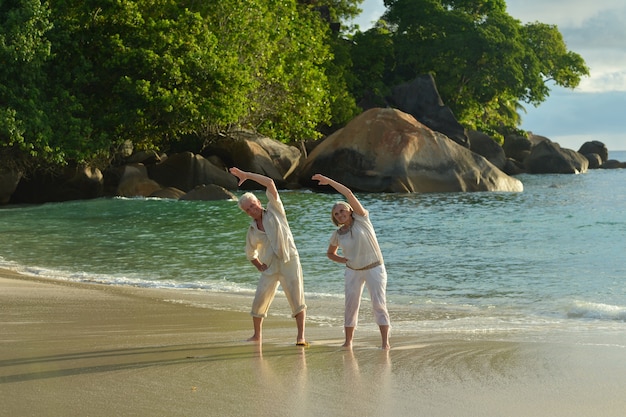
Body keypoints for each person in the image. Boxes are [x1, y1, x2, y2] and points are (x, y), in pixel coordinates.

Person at [311, 174, 390, 350]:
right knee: (350, 306)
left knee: (378, 304)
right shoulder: (338, 234)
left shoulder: (362, 219)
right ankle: (348, 342)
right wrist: (343, 260)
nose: (340, 214)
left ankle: (385, 343)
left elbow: (348, 193)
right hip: (353, 271)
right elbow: (330, 253)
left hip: (374, 268)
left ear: (350, 211)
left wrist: (329, 181)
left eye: (342, 211)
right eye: (336, 214)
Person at [229, 167, 307, 346]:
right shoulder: (252, 230)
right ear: (246, 212)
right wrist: (259, 265)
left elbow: (270, 183)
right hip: (269, 267)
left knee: (297, 298)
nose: (252, 210)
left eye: (253, 205)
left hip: (289, 260)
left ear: (258, 202)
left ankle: (300, 336)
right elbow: (250, 253)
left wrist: (247, 175)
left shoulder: (275, 210)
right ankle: (257, 335)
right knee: (259, 300)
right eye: (248, 209)